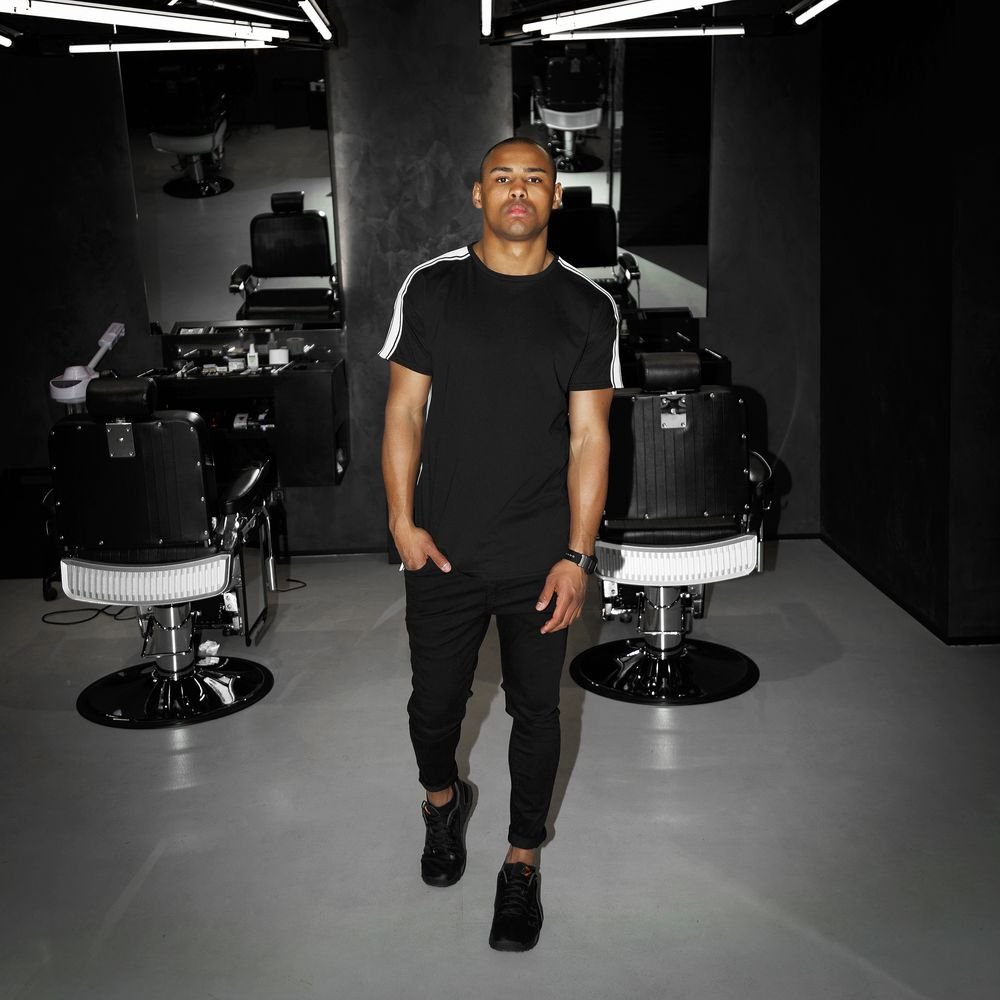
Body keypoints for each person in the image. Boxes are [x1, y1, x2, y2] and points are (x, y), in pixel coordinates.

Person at [379, 136, 622, 952]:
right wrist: (401, 522)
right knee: (432, 711)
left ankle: (521, 861)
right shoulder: (433, 288)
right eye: (503, 178)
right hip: (442, 549)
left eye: (535, 179)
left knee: (536, 711)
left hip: (540, 556)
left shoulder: (588, 306)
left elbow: (590, 438)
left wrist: (577, 555)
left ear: (555, 197)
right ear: (478, 195)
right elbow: (403, 413)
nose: (519, 190)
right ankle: (442, 803)